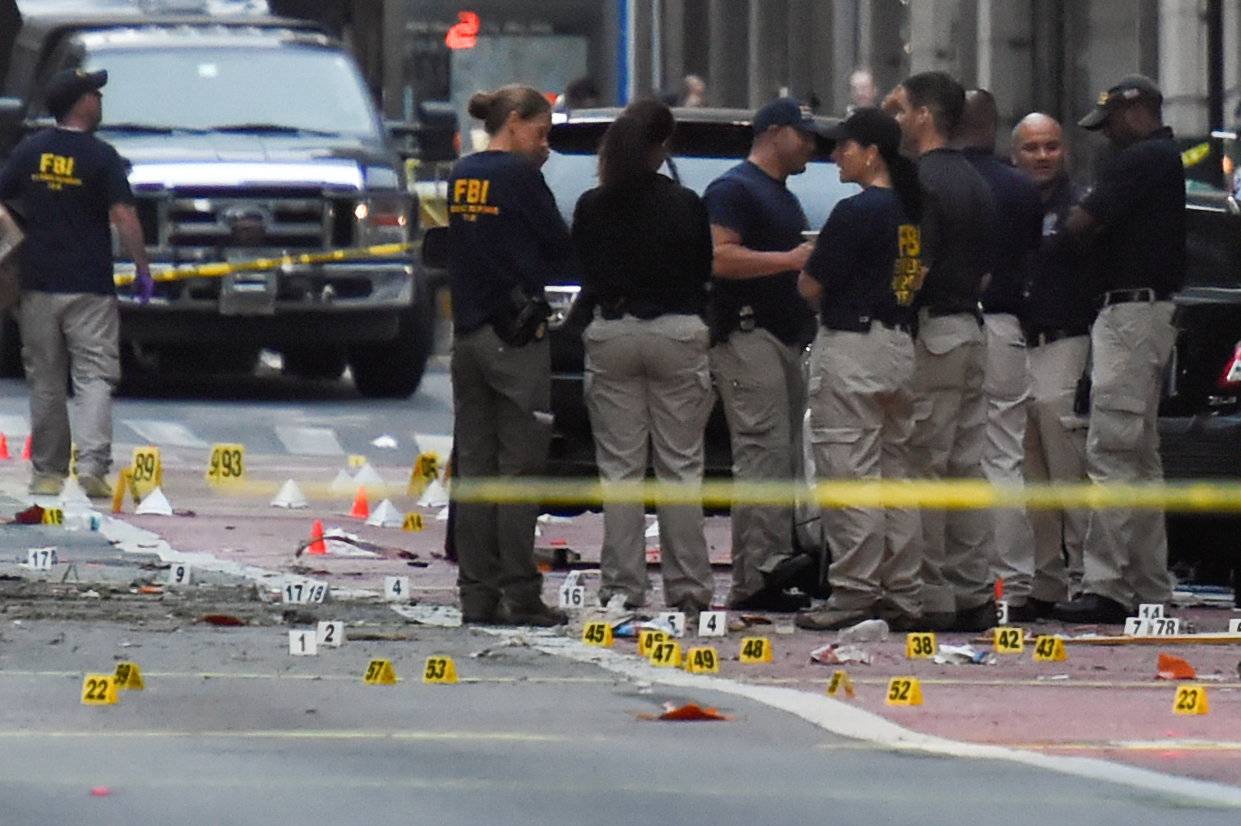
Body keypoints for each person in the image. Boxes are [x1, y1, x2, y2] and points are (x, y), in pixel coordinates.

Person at [571, 98, 715, 614]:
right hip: (676, 332)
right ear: (661, 146)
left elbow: (585, 272)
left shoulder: (593, 205)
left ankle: (623, 588)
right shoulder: (686, 204)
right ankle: (690, 591)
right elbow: (704, 270)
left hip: (614, 332)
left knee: (621, 471)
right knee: (680, 469)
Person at [1053, 75, 1185, 624]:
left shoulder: (1140, 161)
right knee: (1140, 456)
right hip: (1151, 315)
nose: (1107, 136)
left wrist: (1070, 232)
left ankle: (1106, 584)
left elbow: (1080, 227)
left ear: (1135, 110)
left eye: (1110, 123)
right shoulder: (1167, 159)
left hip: (1129, 316)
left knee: (1110, 451)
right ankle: (1150, 582)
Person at [793, 108, 926, 631]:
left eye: (843, 147)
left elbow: (810, 285)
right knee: (895, 477)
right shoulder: (913, 212)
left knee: (849, 475)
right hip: (898, 346)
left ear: (872, 152)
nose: (833, 156)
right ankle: (904, 593)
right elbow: (916, 280)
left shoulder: (856, 213)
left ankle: (853, 593)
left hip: (852, 346)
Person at [447, 84, 572, 627]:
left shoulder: (460, 174)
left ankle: (476, 594)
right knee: (518, 472)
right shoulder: (523, 178)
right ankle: (520, 595)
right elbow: (560, 248)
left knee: (474, 471)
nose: (545, 146)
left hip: (468, 335)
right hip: (517, 339)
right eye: (540, 133)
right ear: (515, 122)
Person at [0, 68, 152, 499]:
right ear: (80, 104)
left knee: (45, 379)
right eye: (94, 94)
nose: (100, 101)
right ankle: (91, 468)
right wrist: (143, 268)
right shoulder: (102, 157)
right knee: (95, 376)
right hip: (89, 286)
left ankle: (47, 473)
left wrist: (9, 245)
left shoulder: (31, 152)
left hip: (37, 284)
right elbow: (125, 217)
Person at [890, 71, 997, 631]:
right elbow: (983, 269)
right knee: (966, 466)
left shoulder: (918, 182)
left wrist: (891, 301)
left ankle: (930, 593)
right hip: (972, 330)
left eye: (903, 110)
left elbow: (914, 264)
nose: (898, 121)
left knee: (924, 465)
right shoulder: (977, 181)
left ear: (926, 115)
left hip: (932, 333)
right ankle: (973, 589)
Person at [703, 97, 819, 612]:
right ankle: (755, 577)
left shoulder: (781, 195)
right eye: (804, 134)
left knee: (783, 458)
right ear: (774, 132)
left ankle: (776, 563)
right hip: (749, 336)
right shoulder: (734, 189)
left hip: (784, 339)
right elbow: (719, 256)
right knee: (762, 457)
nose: (811, 146)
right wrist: (788, 260)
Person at [957, 89, 1044, 619]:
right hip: (1007, 324)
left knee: (951, 455)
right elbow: (1032, 256)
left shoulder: (939, 181)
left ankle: (964, 577)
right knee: (1005, 454)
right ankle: (1012, 581)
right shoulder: (1019, 189)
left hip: (953, 322)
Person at [1011, 112, 1096, 614]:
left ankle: (1088, 578)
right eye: (1032, 148)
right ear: (1015, 154)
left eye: (1051, 147)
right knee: (1030, 478)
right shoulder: (1008, 204)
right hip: (1019, 345)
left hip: (1067, 344)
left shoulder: (1080, 207)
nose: (1043, 156)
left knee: (1071, 471)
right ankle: (1046, 584)